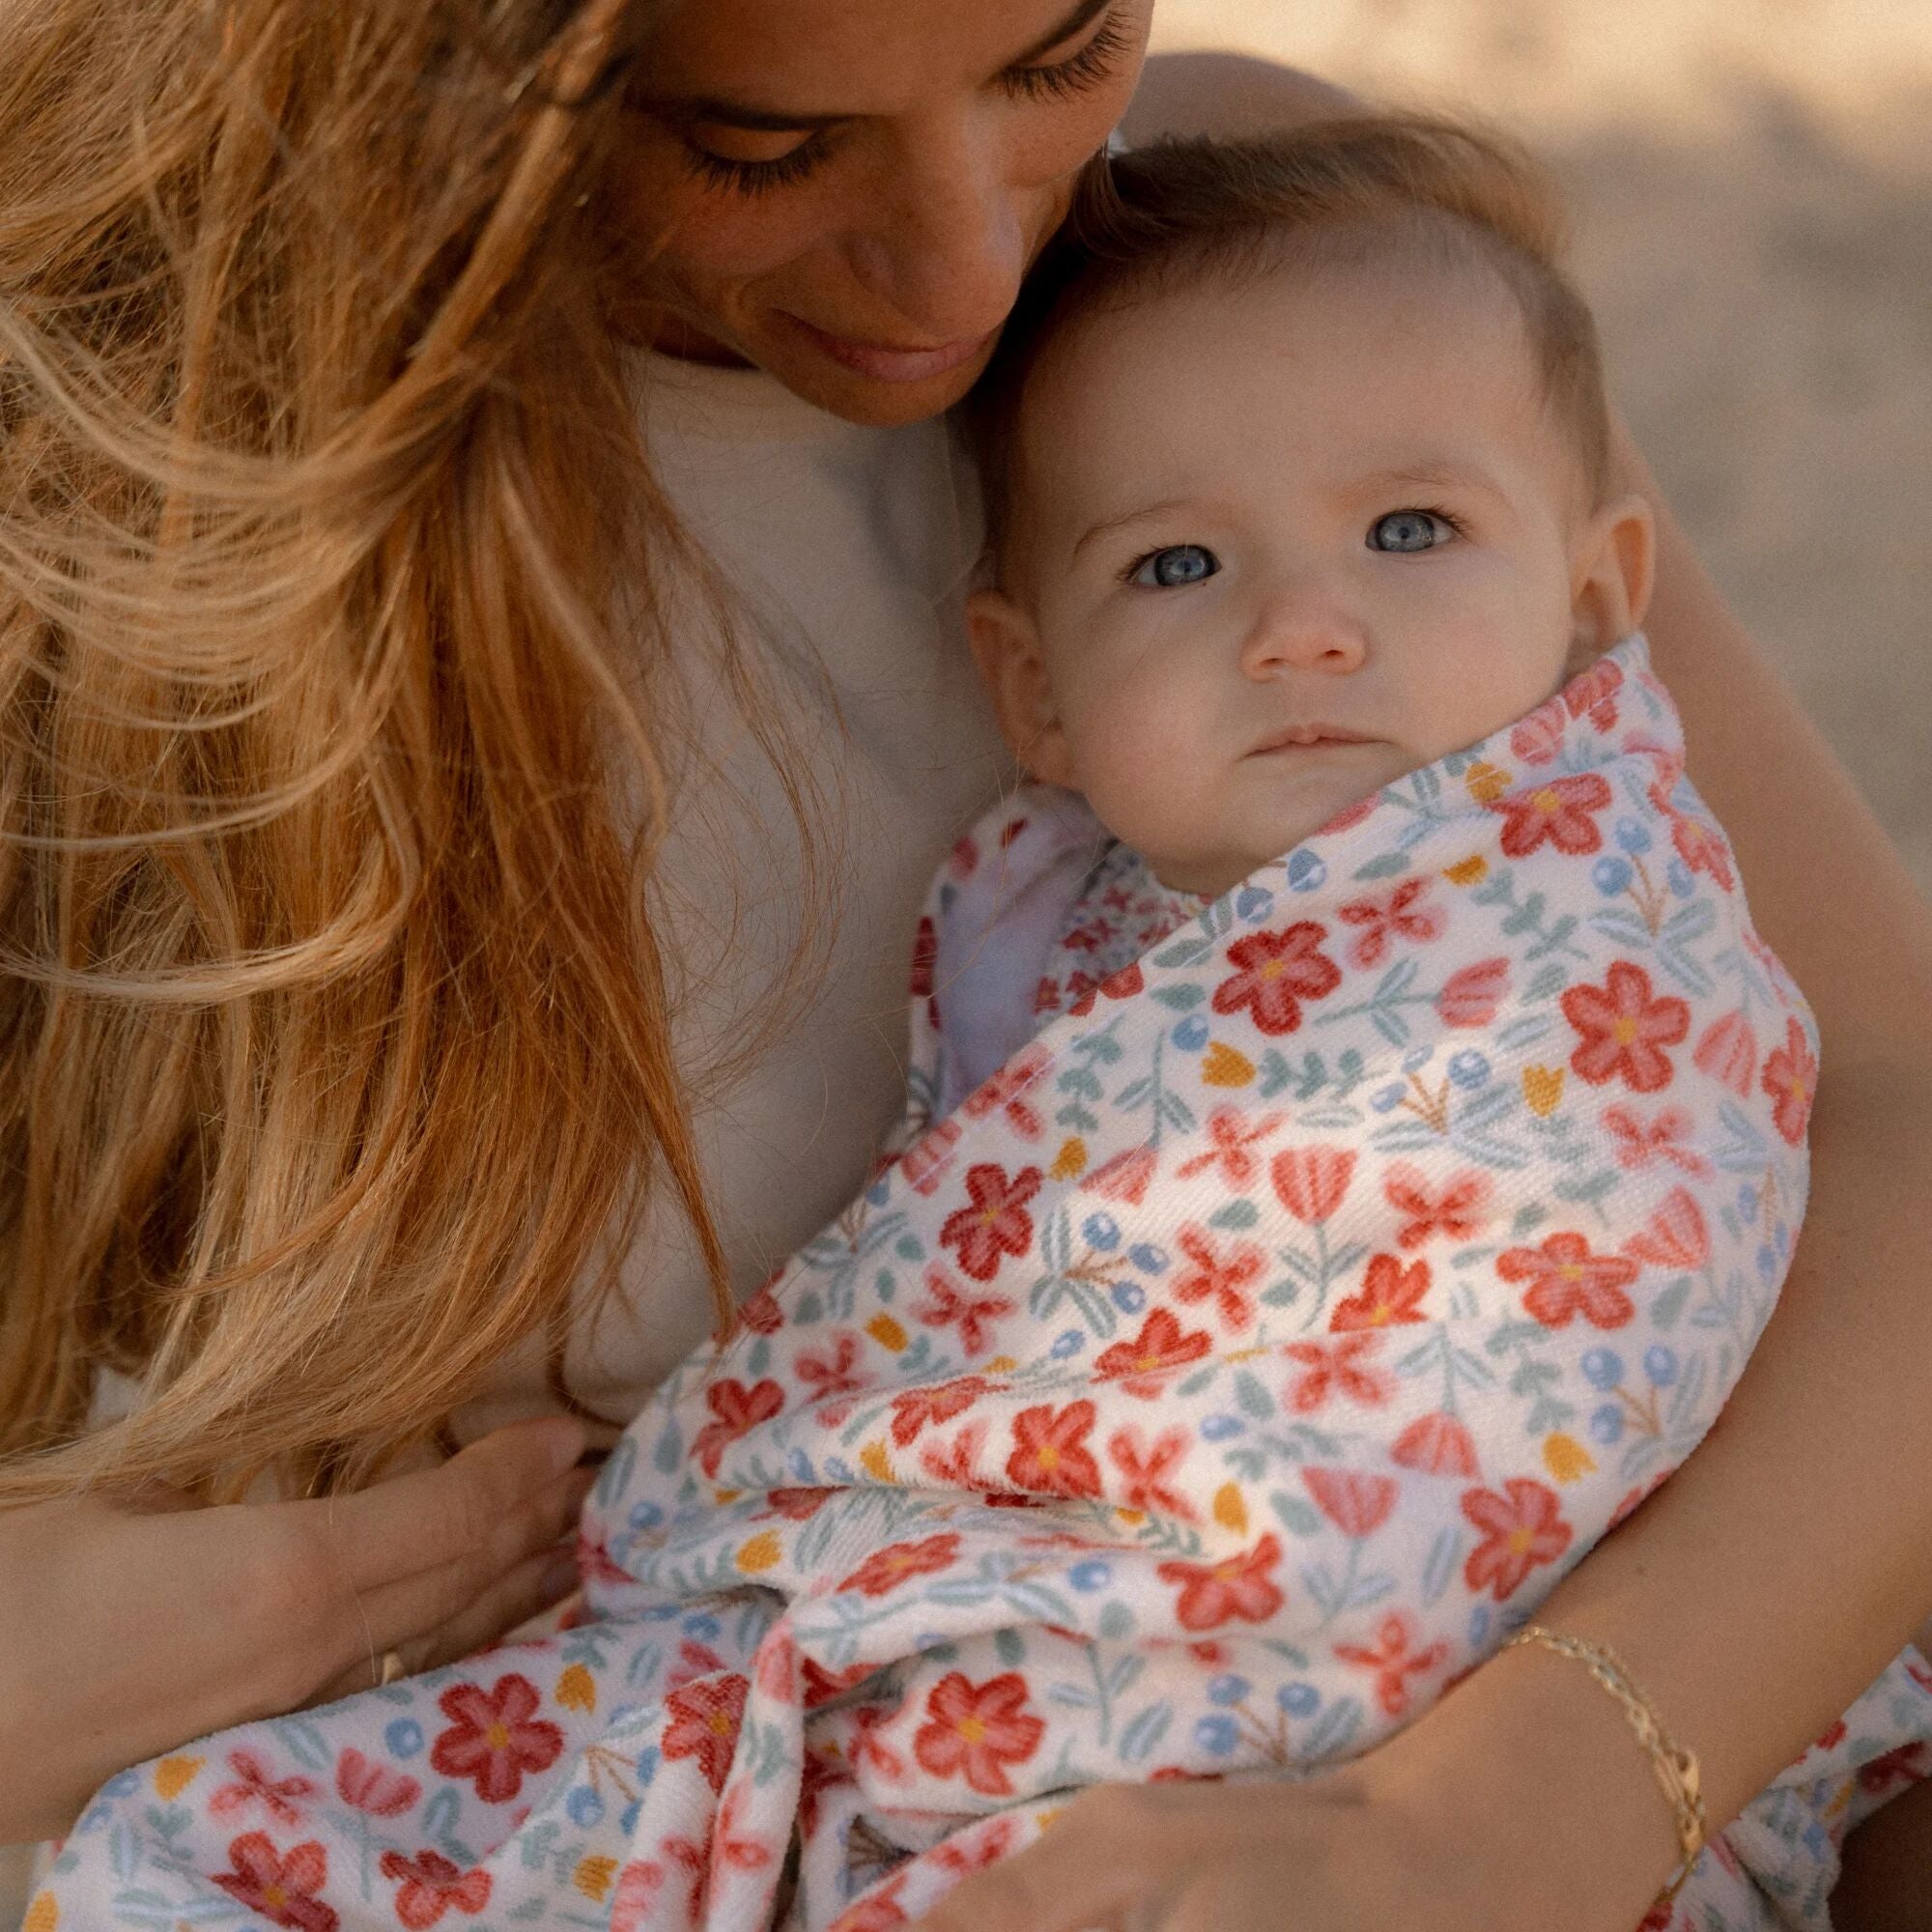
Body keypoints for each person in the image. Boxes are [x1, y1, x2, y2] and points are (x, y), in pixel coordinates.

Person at [1, 4, 1929, 1930]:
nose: (972, 266)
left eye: (1053, 54)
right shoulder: (75, 483)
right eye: (758, 145)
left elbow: (1888, 1122)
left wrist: (1551, 1791)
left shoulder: (1235, 269)